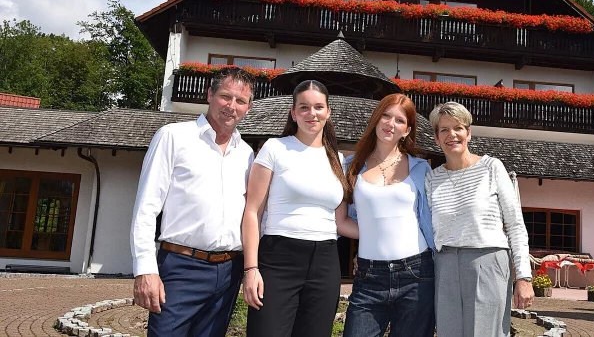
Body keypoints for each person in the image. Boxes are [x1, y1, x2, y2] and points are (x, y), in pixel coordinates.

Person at [130, 67, 255, 336]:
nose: (232, 106)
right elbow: (145, 208)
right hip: (181, 267)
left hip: (229, 271)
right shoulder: (173, 137)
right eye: (225, 96)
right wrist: (145, 269)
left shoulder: (246, 154)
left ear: (248, 107)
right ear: (209, 95)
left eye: (241, 101)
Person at [241, 80, 352, 337]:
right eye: (304, 107)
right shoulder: (275, 148)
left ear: (328, 112)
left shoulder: (338, 160)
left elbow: (341, 222)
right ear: (293, 113)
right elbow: (252, 211)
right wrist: (251, 269)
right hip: (279, 259)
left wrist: (386, 233)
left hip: (325, 261)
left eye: (318, 107)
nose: (311, 113)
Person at [426, 101, 533, 337]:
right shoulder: (431, 179)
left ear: (469, 133)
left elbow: (515, 225)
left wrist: (523, 277)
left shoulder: (492, 167)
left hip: (488, 260)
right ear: (436, 137)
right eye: (444, 130)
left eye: (458, 128)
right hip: (444, 265)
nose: (451, 135)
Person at [341, 93, 435, 337]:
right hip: (369, 275)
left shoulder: (420, 168)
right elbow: (341, 222)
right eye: (386, 115)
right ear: (376, 119)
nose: (390, 124)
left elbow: (432, 218)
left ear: (407, 130)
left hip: (417, 273)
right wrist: (375, 236)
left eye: (399, 120)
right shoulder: (350, 167)